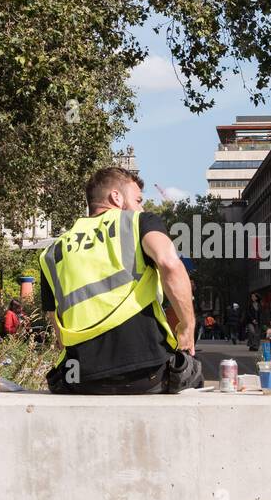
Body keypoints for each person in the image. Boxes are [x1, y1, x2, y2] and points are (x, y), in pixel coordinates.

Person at [40, 166, 200, 394]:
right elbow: (170, 263)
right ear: (116, 197)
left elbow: (57, 327)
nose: (141, 207)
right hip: (146, 373)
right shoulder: (137, 223)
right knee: (193, 371)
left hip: (79, 378)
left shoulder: (52, 252)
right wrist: (187, 326)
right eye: (138, 199)